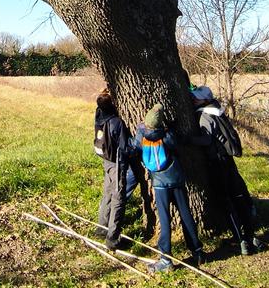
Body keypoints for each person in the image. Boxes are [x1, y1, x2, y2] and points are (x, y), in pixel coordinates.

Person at [134, 103, 204, 273]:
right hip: (175, 179)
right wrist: (170, 128)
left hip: (159, 183)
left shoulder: (142, 133)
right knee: (185, 214)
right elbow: (175, 143)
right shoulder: (167, 135)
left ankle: (166, 259)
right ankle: (197, 251)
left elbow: (136, 145)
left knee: (165, 220)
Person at [189, 85, 258, 255]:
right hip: (228, 160)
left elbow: (206, 140)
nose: (193, 99)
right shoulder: (217, 110)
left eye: (196, 97)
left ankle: (240, 240)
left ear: (205, 99)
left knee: (226, 200)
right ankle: (251, 235)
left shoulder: (205, 115)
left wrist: (187, 140)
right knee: (238, 197)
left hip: (218, 163)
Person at [93, 89, 133, 250]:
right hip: (117, 164)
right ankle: (113, 238)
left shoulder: (99, 115)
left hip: (106, 161)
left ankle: (101, 228)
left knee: (107, 194)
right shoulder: (116, 123)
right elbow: (125, 147)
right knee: (118, 199)